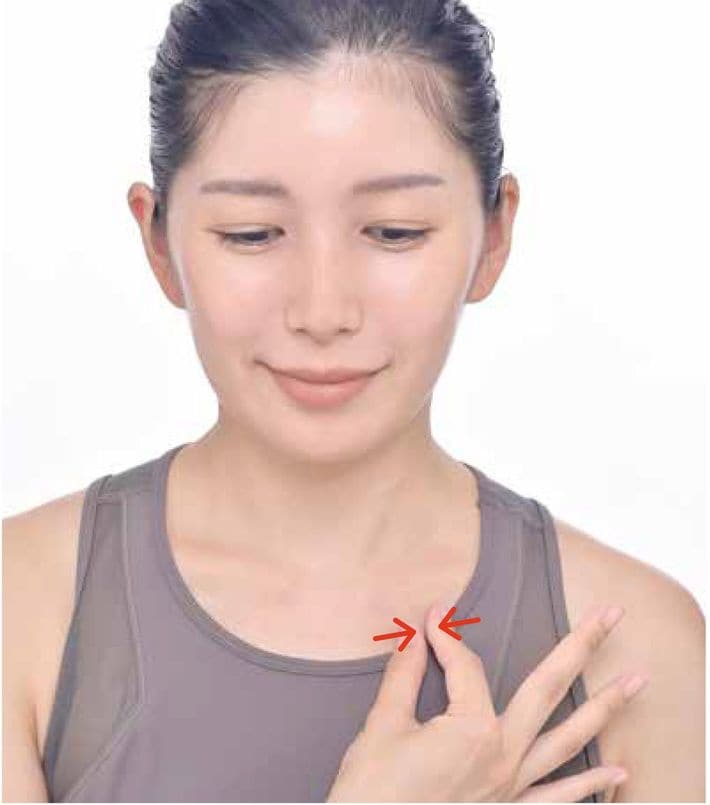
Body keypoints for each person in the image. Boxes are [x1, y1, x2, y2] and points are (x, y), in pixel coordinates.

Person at [3, 0, 704, 802]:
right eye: (252, 233)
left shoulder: (632, 644)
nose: (323, 310)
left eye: (395, 232)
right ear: (158, 241)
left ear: (494, 235)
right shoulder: (22, 608)